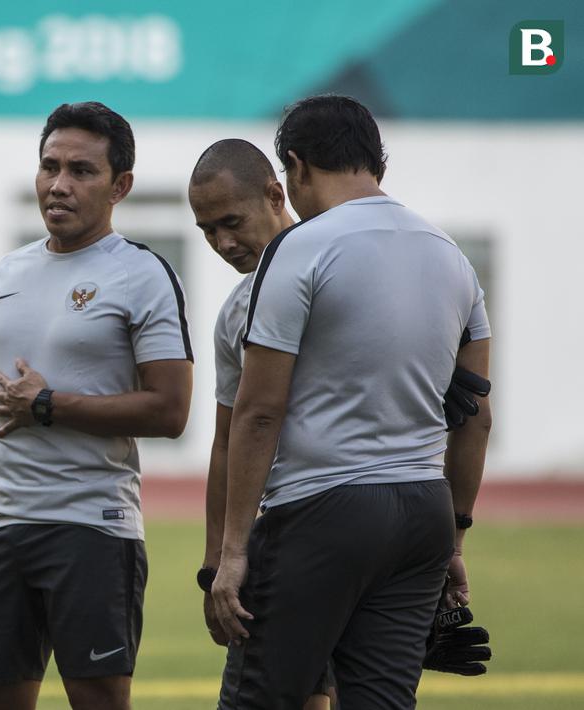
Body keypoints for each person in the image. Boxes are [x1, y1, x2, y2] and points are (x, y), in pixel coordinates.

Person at [209, 95, 492, 709]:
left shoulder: (301, 248)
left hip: (322, 509)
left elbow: (258, 411)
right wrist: (456, 538)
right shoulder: (451, 256)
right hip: (423, 513)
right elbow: (475, 416)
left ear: (296, 167)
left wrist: (232, 554)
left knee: (261, 700)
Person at [0, 101, 194, 710]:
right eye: (49, 166)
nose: (59, 184)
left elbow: (171, 411)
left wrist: (50, 404)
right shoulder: (2, 277)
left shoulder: (142, 274)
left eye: (81, 171)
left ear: (120, 185)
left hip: (92, 530)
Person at [187, 138, 335, 710]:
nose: (223, 242)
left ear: (276, 193)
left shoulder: (340, 269)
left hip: (339, 522)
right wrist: (214, 562)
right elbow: (227, 442)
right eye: (206, 230)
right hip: (283, 532)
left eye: (231, 221)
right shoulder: (235, 312)